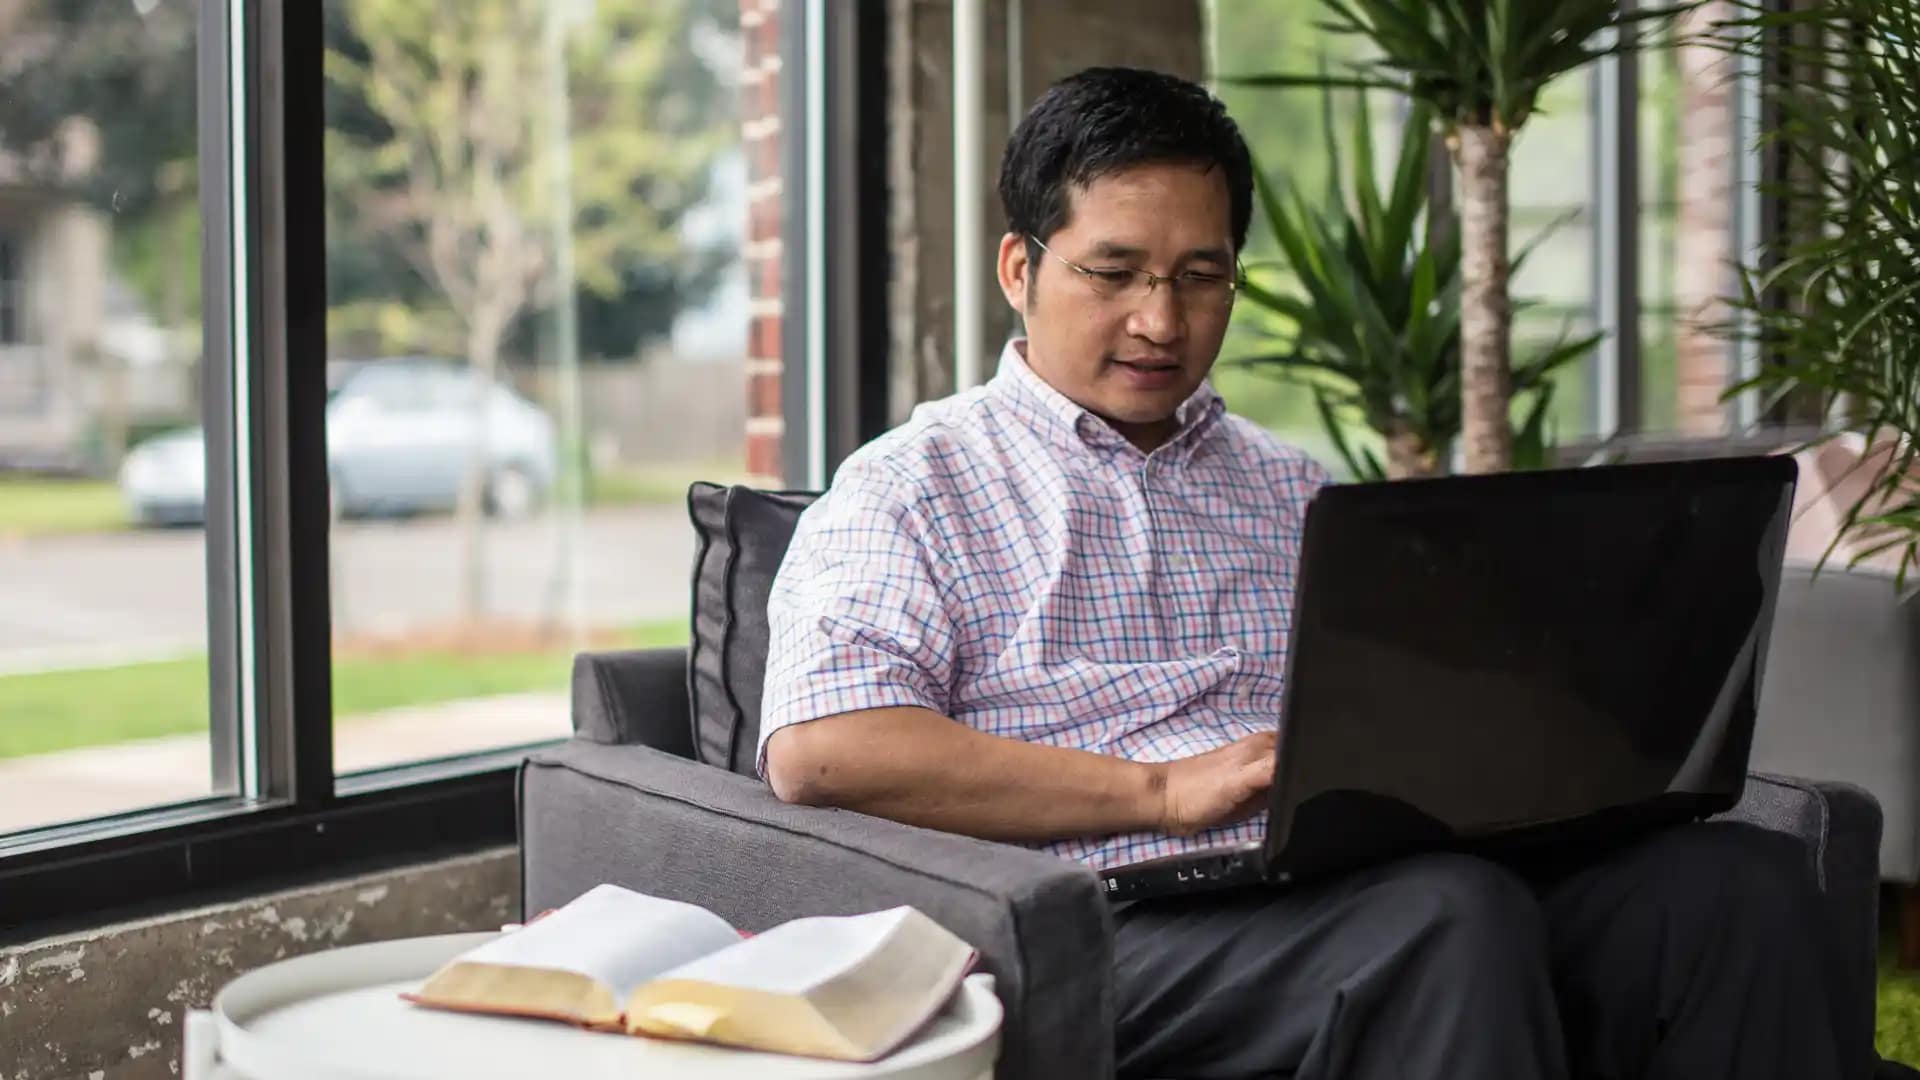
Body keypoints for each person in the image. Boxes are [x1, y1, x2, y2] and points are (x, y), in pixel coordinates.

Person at [757, 66, 1842, 1080]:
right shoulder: (911, 485)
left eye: (1202, 276)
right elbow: (823, 750)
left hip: (1344, 877)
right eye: (1115, 273)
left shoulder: (1293, 488)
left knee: (1732, 885)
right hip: (1100, 916)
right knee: (1445, 918)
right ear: (1019, 268)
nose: (1161, 321)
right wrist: (1159, 793)